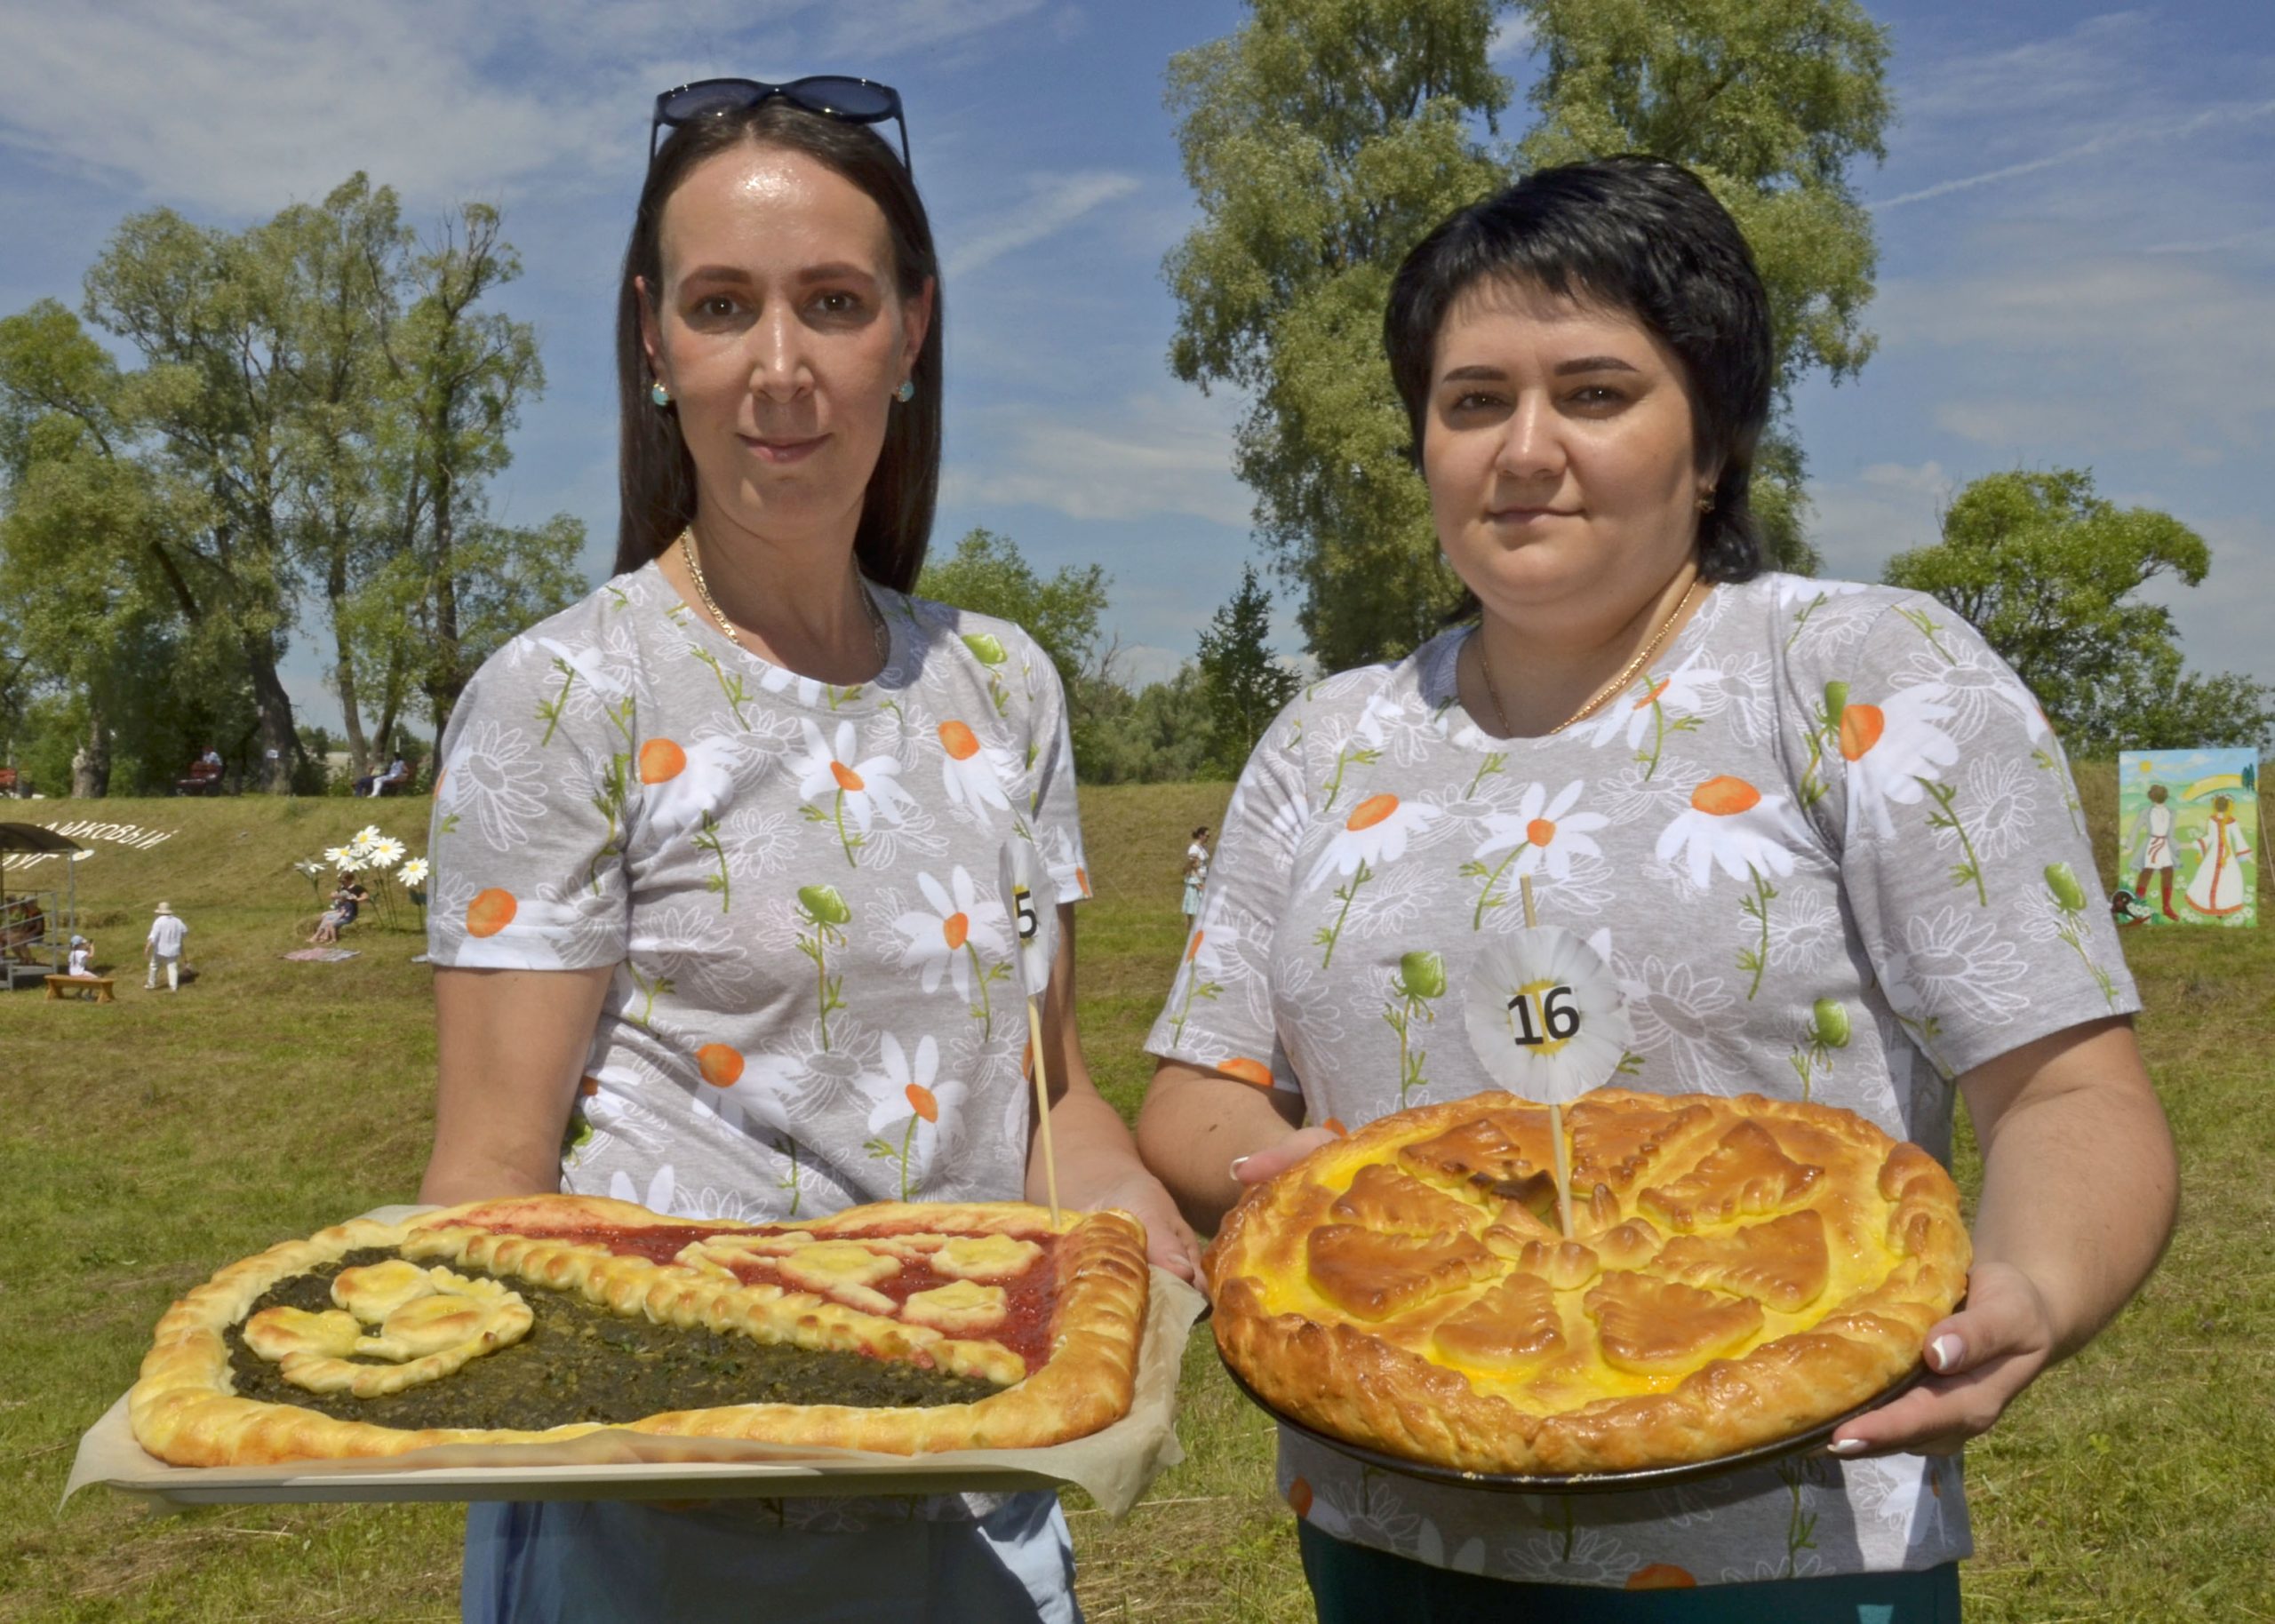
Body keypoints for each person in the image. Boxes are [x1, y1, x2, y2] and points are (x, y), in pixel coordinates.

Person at [1137, 157, 2177, 1620]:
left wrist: (2038, 1290)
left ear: (1713, 443)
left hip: (1783, 1551)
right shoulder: (1327, 737)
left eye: (1597, 392)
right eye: (1474, 399)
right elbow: (1199, 1097)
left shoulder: (1866, 676)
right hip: (1388, 1535)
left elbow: (2071, 1091)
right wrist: (1352, 1184)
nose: (1525, 448)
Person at [417, 78, 1198, 1624]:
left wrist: (1125, 1210)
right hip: (670, 1519)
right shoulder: (562, 694)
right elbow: (489, 1180)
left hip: (980, 1492)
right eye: (725, 305)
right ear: (655, 342)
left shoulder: (1004, 684)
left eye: (833, 303)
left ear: (911, 334)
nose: (781, 366)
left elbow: (1047, 1090)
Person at [2183, 792, 2253, 918]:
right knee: (2209, 877)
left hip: (2227, 857)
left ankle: (2220, 908)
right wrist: (2195, 844)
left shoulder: (2231, 822)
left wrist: (2247, 856)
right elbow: (2211, 837)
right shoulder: (2213, 820)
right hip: (2215, 855)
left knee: (2226, 880)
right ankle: (2214, 908)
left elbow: (2237, 839)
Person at [2131, 781, 2179, 921]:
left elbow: (2170, 833)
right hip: (2152, 844)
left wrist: (2176, 846)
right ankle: (2137, 904)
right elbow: (2136, 828)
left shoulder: (2171, 812)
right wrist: (2130, 846)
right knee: (2147, 872)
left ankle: (2166, 907)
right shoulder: (2146, 812)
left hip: (2164, 844)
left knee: (2168, 873)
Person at [307, 874, 365, 945]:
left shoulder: (357, 888)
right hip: (340, 910)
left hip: (349, 913)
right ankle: (322, 936)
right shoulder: (341, 888)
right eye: (340, 881)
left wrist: (355, 899)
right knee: (325, 916)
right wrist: (334, 896)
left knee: (328, 918)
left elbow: (365, 897)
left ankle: (318, 937)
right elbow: (334, 896)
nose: (341, 882)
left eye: (343, 881)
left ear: (350, 880)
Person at [146, 902, 188, 991]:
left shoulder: (159, 921)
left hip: (160, 949)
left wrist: (147, 947)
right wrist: (179, 938)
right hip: (174, 949)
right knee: (172, 967)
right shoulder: (177, 921)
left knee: (154, 965)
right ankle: (173, 987)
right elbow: (185, 931)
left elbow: (154, 935)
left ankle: (151, 984)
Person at [1181, 824, 1210, 919]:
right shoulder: (1194, 848)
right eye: (1207, 836)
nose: (1208, 838)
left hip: (1204, 876)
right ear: (1201, 836)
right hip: (1196, 878)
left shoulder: (1204, 848)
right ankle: (1190, 928)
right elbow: (1192, 867)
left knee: (1203, 905)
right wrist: (1199, 883)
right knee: (1192, 906)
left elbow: (1205, 863)